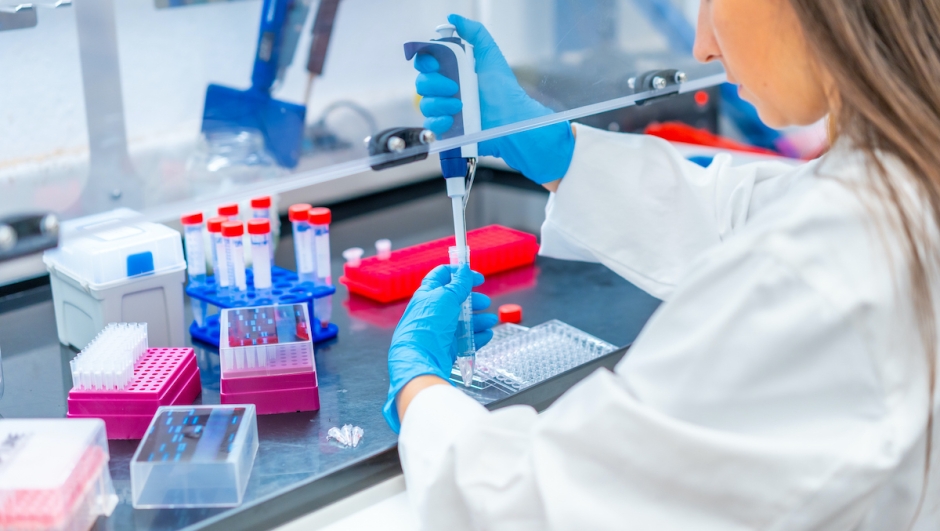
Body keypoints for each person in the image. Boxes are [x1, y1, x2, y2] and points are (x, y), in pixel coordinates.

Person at [383, 1, 940, 528]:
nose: (701, 46)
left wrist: (421, 391)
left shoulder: (829, 258)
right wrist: (563, 153)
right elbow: (745, 215)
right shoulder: (907, 170)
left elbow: (538, 508)